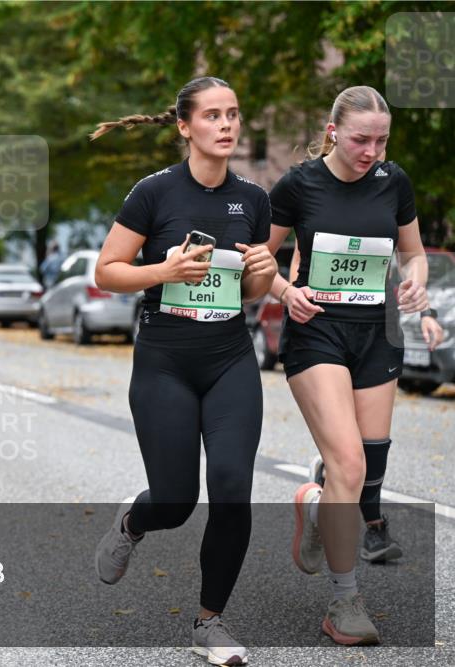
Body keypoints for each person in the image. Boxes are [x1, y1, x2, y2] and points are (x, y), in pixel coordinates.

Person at [91, 76, 276, 666]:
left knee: (231, 492)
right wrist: (161, 273)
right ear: (184, 126)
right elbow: (107, 270)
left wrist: (267, 273)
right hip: (165, 361)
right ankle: (133, 522)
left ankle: (209, 623)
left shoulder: (253, 199)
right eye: (213, 116)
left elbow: (249, 292)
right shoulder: (154, 193)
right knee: (175, 500)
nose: (227, 125)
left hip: (229, 361)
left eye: (234, 115)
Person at [264, 85, 443, 646]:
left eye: (382, 140)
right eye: (362, 139)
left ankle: (317, 507)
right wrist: (283, 289)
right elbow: (256, 258)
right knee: (345, 462)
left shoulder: (395, 182)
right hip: (317, 331)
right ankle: (345, 602)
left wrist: (416, 282)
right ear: (334, 131)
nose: (372, 151)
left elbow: (412, 253)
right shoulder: (299, 183)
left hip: (379, 333)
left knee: (365, 474)